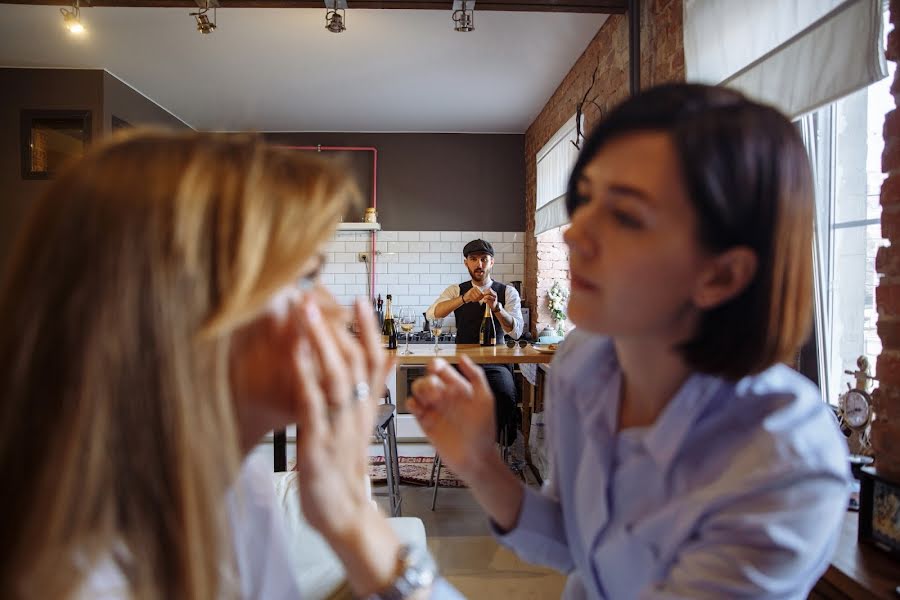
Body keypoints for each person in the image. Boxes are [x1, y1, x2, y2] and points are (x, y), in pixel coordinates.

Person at [410, 83, 850, 598]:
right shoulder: (585, 361)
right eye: (587, 198)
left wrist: (379, 558)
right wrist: (478, 465)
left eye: (626, 215)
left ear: (722, 274)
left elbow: (516, 328)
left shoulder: (782, 464)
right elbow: (578, 545)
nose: (574, 234)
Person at [0, 130, 460, 599]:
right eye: (306, 277)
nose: (336, 311)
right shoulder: (76, 579)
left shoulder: (240, 491)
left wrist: (352, 516)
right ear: (185, 311)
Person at [426, 239, 524, 445]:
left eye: (483, 259)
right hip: (462, 364)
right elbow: (432, 315)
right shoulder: (456, 290)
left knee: (504, 395)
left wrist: (497, 308)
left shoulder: (507, 292)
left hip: (496, 365)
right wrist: (463, 299)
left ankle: (498, 448)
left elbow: (516, 333)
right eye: (473, 259)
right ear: (466, 263)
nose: (479, 264)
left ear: (492, 262)